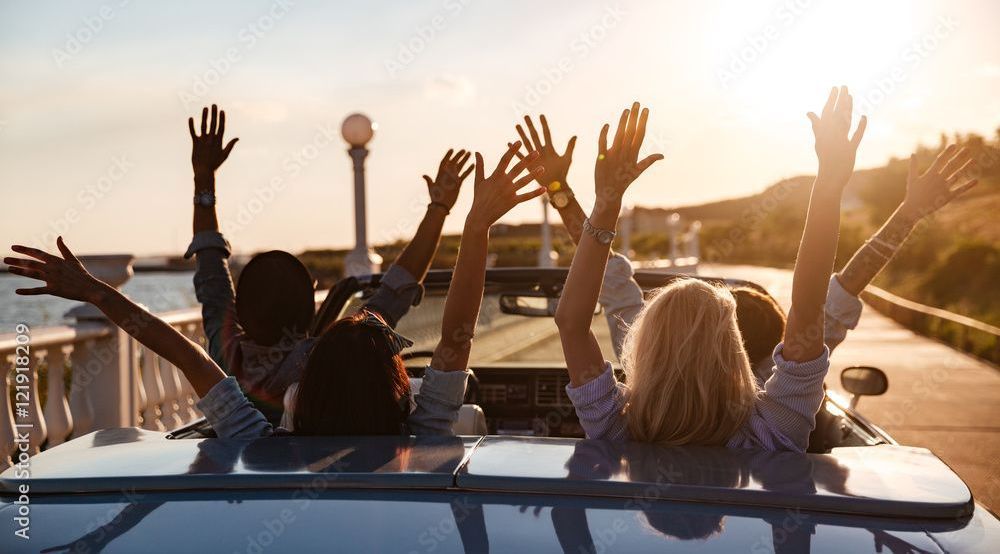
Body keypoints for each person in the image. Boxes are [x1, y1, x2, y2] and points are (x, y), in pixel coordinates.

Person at [5, 142, 544, 439]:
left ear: (298, 400)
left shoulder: (250, 425)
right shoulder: (420, 431)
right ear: (398, 385)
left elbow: (174, 340)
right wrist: (465, 223)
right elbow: (448, 328)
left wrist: (98, 292)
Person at [554, 90, 865, 451]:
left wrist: (606, 205)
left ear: (645, 347)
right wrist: (828, 185)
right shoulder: (775, 429)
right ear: (733, 346)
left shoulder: (616, 427)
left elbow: (571, 323)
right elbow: (807, 306)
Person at [183, 104, 472, 423]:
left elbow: (211, 275)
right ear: (310, 307)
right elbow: (395, 290)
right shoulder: (328, 357)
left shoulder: (227, 356)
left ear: (241, 311)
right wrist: (439, 208)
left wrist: (204, 180)